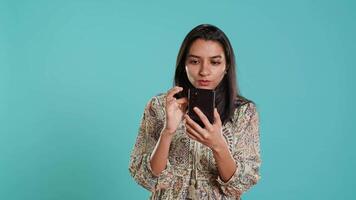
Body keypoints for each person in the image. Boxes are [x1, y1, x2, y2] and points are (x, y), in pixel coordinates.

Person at [129, 24, 261, 200]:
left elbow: (242, 182)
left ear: (226, 65)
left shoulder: (244, 112)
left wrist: (218, 145)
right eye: (194, 61)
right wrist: (167, 132)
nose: (204, 71)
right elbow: (147, 178)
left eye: (214, 62)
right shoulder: (159, 106)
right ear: (184, 63)